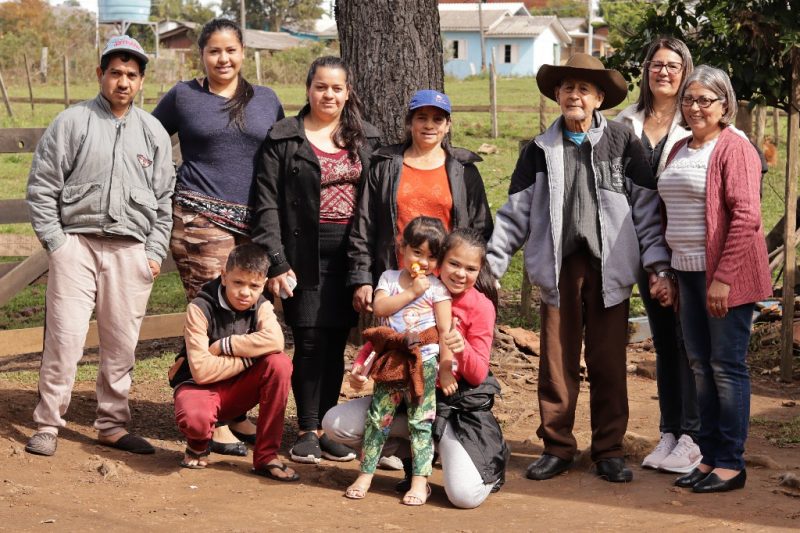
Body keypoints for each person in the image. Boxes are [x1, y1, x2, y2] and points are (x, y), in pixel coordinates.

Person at [487, 53, 674, 483]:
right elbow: (515, 214)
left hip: (610, 267)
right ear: (557, 95)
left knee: (608, 362)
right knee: (556, 362)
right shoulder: (538, 150)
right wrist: (494, 266)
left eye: (584, 89)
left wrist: (657, 265)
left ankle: (608, 450)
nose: (575, 95)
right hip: (558, 269)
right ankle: (558, 447)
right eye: (568, 88)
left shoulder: (623, 142)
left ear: (599, 98)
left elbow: (644, 210)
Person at [24, 36, 175, 457]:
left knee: (122, 342)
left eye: (131, 75)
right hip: (78, 246)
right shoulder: (72, 122)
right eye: (115, 73)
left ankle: (111, 424)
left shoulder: (153, 133)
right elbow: (41, 188)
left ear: (141, 81)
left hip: (131, 250)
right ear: (100, 75)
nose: (122, 82)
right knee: (65, 338)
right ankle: (48, 423)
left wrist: (153, 252)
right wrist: (57, 243)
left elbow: (164, 200)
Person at [153, 18, 285, 454]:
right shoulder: (184, 96)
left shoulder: (266, 100)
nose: (223, 59)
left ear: (243, 52)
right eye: (214, 51)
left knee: (246, 316)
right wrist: (165, 189)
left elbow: (283, 157)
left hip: (254, 227)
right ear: (202, 56)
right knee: (214, 314)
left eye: (230, 50)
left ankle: (235, 410)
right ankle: (216, 419)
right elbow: (149, 141)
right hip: (199, 224)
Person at [252, 56, 383, 464]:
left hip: (351, 253)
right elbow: (266, 205)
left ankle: (328, 427)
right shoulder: (284, 138)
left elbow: (377, 202)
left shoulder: (366, 140)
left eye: (337, 88)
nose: (329, 94)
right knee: (308, 339)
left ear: (348, 93)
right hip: (300, 252)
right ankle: (306, 430)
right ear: (308, 89)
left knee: (334, 341)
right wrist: (276, 261)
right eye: (321, 87)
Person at [324, 227, 508, 509]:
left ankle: (460, 454)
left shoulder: (479, 306)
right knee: (336, 425)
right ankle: (413, 455)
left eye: (471, 268)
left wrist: (462, 348)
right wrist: (363, 366)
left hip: (452, 407)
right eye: (454, 264)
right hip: (404, 387)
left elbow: (477, 374)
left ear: (480, 269)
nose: (460, 273)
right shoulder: (417, 287)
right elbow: (387, 332)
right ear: (440, 262)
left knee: (464, 496)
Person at [659, 66, 771, 493]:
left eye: (706, 99)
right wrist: (669, 270)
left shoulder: (734, 147)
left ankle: (731, 462)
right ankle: (708, 457)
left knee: (726, 368)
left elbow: (747, 217)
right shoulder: (679, 149)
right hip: (687, 273)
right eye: (689, 100)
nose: (695, 107)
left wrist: (722, 279)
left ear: (725, 104)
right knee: (701, 367)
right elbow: (671, 214)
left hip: (724, 276)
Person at [615, 37, 702, 473]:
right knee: (665, 343)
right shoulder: (623, 123)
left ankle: (693, 435)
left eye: (672, 65)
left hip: (687, 248)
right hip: (639, 248)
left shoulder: (699, 122)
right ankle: (669, 431)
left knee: (691, 342)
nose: (663, 72)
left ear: (686, 71)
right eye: (656, 64)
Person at [348, 89, 493, 314]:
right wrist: (362, 278)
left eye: (437, 119)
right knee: (397, 345)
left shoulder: (464, 172)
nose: (429, 125)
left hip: (447, 285)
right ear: (409, 123)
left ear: (448, 125)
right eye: (421, 118)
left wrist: (471, 274)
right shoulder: (384, 167)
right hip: (396, 282)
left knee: (444, 343)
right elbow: (364, 226)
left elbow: (480, 230)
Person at [344, 216, 453, 505]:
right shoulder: (389, 279)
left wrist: (446, 369)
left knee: (421, 422)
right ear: (402, 249)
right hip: (392, 361)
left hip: (424, 363)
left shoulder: (438, 288)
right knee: (378, 418)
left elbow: (445, 331)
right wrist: (412, 293)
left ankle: (420, 481)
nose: (424, 262)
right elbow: (380, 308)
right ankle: (365, 474)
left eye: (431, 256)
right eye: (417, 252)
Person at [168, 244, 297, 481]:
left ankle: (267, 456)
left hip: (235, 391)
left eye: (254, 286)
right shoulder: (199, 308)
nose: (245, 292)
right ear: (224, 276)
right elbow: (202, 372)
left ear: (264, 284)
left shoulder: (263, 305)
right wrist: (251, 358)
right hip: (199, 388)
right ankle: (198, 444)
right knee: (196, 419)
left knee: (279, 364)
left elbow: (276, 341)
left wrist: (225, 346)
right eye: (238, 282)